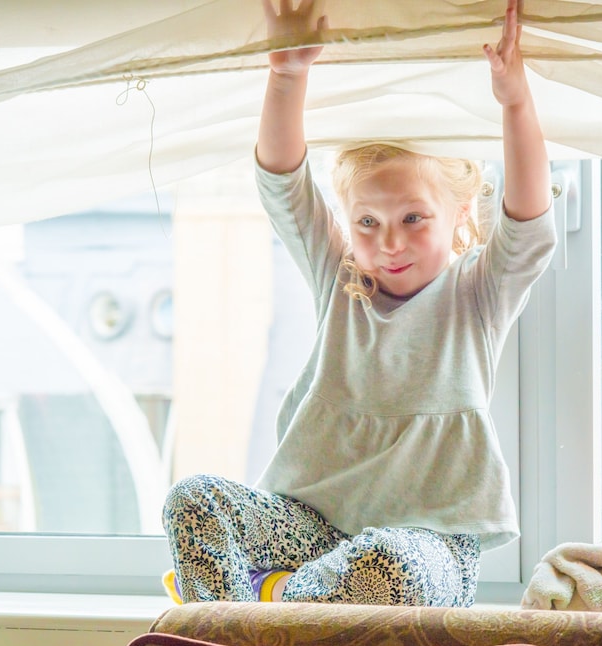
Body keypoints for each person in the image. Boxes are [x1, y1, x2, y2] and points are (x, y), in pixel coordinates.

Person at [160, 0, 556, 607]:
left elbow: (528, 224)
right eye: (367, 222)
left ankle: (272, 602)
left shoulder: (476, 294)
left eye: (413, 218)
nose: (389, 243)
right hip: (311, 526)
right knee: (192, 502)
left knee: (386, 564)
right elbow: (282, 184)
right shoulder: (339, 277)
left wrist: (516, 103)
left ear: (460, 214)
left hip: (428, 544)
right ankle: (242, 626)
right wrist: (286, 75)